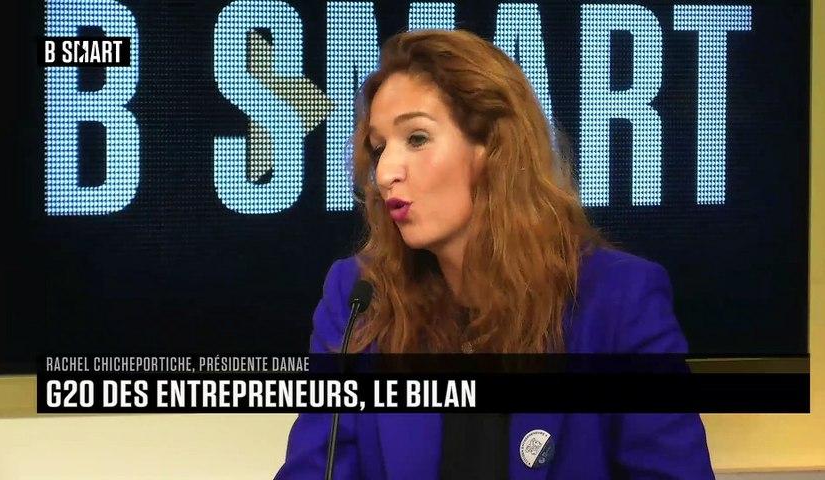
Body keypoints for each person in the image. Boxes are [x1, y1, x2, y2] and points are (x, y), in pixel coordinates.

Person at [275, 29, 714, 479]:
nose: (385, 172)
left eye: (417, 138)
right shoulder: (358, 299)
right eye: (378, 148)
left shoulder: (619, 301)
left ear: (493, 148)